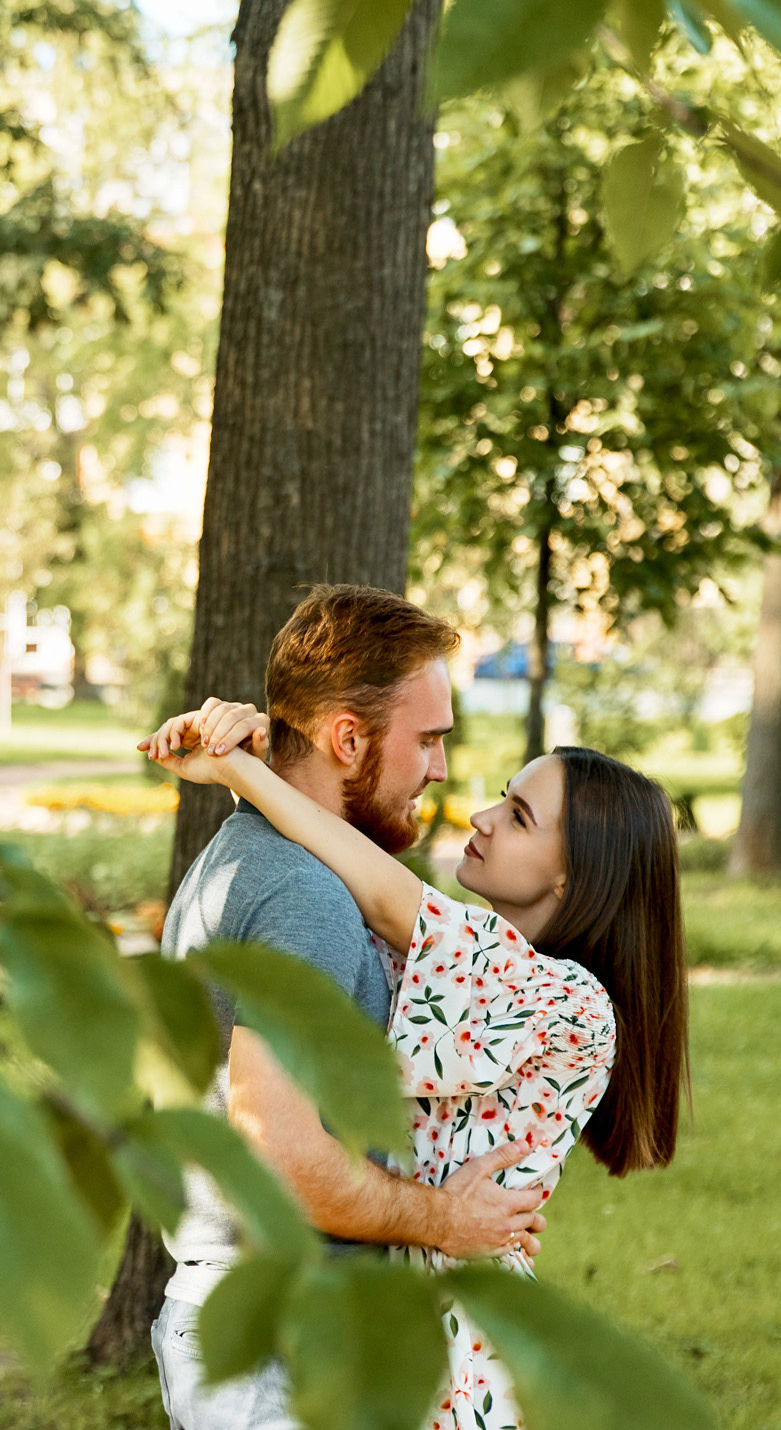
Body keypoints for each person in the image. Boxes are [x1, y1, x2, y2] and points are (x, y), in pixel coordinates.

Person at [147, 694, 688, 1430]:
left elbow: (381, 889)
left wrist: (241, 769)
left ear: (572, 876)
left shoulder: (567, 1002)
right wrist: (278, 757)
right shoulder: (461, 965)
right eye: (504, 798)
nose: (482, 817)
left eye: (520, 817)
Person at [140, 586, 550, 1430]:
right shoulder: (303, 895)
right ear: (348, 737)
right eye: (428, 740)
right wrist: (449, 1219)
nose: (438, 768)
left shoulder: (258, 857)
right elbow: (281, 1153)